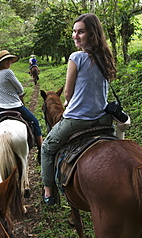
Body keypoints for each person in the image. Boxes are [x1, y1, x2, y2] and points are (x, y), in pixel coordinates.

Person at [41, 13, 117, 206]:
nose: (76, 36)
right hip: (103, 119)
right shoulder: (105, 57)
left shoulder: (76, 57)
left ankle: (49, 192)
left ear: (92, 33)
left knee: (47, 148)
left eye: (81, 32)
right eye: (74, 32)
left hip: (78, 120)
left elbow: (68, 93)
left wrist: (68, 103)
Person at [0, 50, 43, 163]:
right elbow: (20, 89)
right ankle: (41, 150)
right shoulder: (8, 72)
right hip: (16, 106)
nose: (9, 62)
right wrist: (13, 95)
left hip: (0, 107)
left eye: (9, 59)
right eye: (7, 60)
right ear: (2, 62)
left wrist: (3, 97)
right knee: (35, 122)